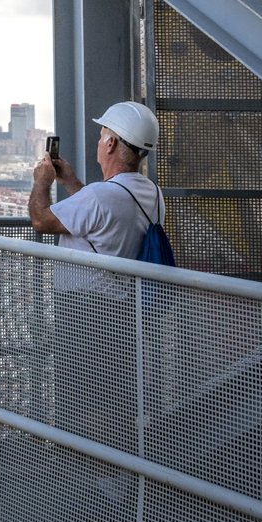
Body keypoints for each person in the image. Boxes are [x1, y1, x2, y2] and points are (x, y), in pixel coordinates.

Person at [29, 100, 162, 453]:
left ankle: (100, 486)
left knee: (89, 402)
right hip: (123, 308)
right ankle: (118, 478)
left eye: (102, 133)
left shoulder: (102, 197)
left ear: (112, 143)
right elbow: (101, 219)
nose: (99, 139)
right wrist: (72, 182)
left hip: (87, 310)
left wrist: (42, 182)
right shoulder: (150, 192)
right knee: (114, 397)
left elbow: (41, 221)